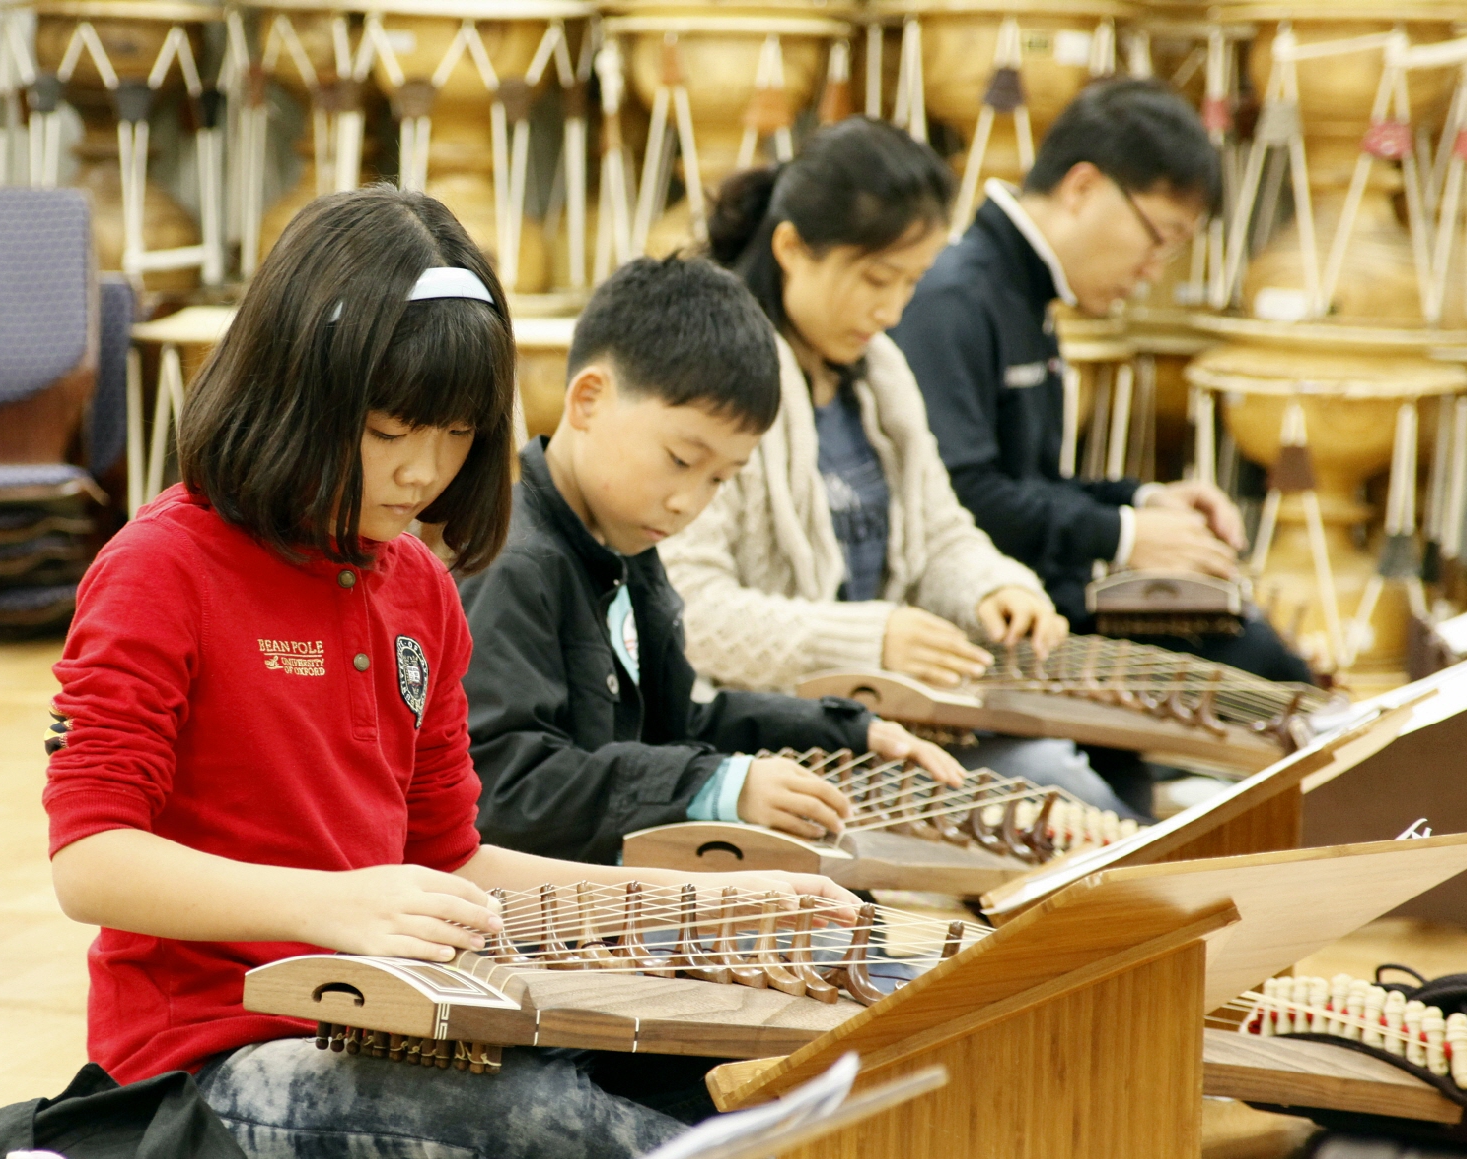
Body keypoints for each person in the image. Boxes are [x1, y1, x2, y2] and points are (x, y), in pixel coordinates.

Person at [41, 188, 856, 1159]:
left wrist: (702, 903)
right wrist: (327, 902)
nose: (424, 469)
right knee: (565, 1133)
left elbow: (455, 860)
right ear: (297, 386)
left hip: (406, 1017)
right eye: (391, 430)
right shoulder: (161, 566)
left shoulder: (420, 588)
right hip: (216, 1057)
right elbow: (89, 862)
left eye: (459, 433)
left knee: (700, 1086)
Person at [658, 117, 1135, 818]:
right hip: (767, 748)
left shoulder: (879, 373)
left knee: (1080, 803)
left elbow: (940, 531)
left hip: (887, 729)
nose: (891, 309)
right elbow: (687, 609)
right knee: (1057, 805)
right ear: (792, 247)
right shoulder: (715, 383)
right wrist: (870, 638)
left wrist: (991, 587)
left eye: (910, 282)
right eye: (876, 278)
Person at [460, 255, 966, 864]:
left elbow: (678, 726)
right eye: (680, 459)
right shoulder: (512, 562)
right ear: (588, 400)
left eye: (720, 480)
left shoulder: (626, 547)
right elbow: (506, 787)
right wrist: (714, 785)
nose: (688, 503)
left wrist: (846, 731)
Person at [889, 78, 1311, 687]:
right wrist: (1124, 535)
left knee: (1260, 649)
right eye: (1159, 238)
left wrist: (1141, 501)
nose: (1151, 271)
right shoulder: (953, 297)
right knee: (1259, 666)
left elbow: (1030, 484)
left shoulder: (1023, 293)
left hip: (1040, 609)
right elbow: (961, 498)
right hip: (983, 624)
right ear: (1082, 187)